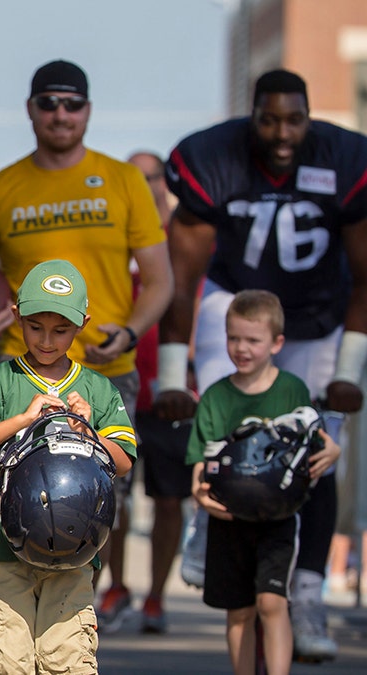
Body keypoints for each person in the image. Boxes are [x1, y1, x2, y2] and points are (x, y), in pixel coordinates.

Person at [0, 59, 172, 630]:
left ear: (88, 111)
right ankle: (18, 614)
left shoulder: (123, 180)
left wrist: (131, 330)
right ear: (30, 110)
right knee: (23, 494)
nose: (60, 114)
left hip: (107, 369)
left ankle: (78, 612)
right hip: (24, 375)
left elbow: (160, 280)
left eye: (72, 103)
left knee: (103, 495)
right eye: (48, 103)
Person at [155, 68, 367, 660]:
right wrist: (174, 378)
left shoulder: (346, 159)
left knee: (315, 449)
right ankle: (210, 526)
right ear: (253, 115)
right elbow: (183, 279)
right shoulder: (213, 157)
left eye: (294, 118)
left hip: (316, 313)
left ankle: (308, 590)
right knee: (229, 424)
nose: (282, 132)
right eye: (270, 119)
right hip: (238, 301)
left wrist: (349, 368)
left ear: (309, 116)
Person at [0, 259, 136, 674]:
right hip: (7, 547)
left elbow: (123, 461)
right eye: (36, 327)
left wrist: (88, 431)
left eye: (62, 330)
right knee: (10, 661)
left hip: (76, 551)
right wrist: (22, 419)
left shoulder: (98, 388)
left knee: (67, 659)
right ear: (16, 317)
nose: (48, 341)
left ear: (83, 323)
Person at [187, 290, 341, 674]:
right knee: (239, 611)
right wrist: (200, 495)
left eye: (253, 340)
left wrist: (332, 452)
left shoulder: (292, 390)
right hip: (229, 519)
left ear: (277, 343)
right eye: (233, 338)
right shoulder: (216, 397)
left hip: (278, 517)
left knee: (272, 603)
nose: (242, 348)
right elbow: (200, 464)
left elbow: (318, 442)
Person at [124, 150, 192, 635]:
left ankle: (155, 596)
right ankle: (111, 586)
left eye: (151, 177)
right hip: (120, 386)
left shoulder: (184, 240)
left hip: (171, 392)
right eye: (135, 178)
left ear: (166, 182)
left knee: (170, 499)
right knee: (109, 497)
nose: (144, 186)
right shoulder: (118, 235)